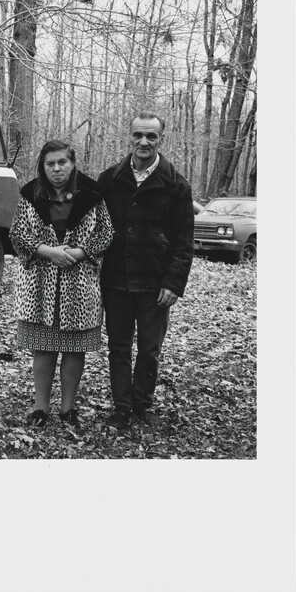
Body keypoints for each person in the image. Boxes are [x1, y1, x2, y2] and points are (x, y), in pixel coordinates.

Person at [97, 112, 194, 430]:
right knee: (119, 347)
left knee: (150, 349)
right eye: (138, 135)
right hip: (115, 281)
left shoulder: (177, 185)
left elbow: (184, 241)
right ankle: (122, 408)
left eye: (151, 136)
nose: (144, 142)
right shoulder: (109, 180)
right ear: (130, 136)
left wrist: (174, 282)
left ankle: (144, 405)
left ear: (160, 140)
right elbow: (93, 229)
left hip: (156, 284)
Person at [10, 139, 113, 429]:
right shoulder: (30, 194)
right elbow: (17, 235)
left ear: (72, 163)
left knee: (74, 349)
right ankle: (41, 407)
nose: (56, 168)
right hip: (39, 286)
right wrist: (48, 251)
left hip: (79, 285)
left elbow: (106, 234)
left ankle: (68, 408)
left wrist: (80, 253)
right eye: (50, 163)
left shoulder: (92, 194)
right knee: (43, 347)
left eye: (62, 162)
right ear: (43, 167)